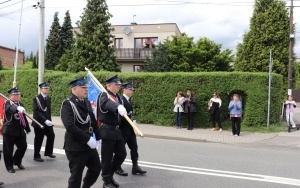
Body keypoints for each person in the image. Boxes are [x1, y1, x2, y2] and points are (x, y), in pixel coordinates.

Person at [60, 77, 101, 188]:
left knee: (96, 168)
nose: (86, 89)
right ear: (74, 89)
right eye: (83, 87)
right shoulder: (68, 104)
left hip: (89, 146)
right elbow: (70, 126)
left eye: (86, 87)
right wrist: (88, 139)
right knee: (76, 176)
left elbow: (92, 120)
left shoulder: (86, 102)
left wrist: (98, 137)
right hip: (75, 147)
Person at [97, 75, 127, 188]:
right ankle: (106, 181)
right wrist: (117, 106)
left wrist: (129, 122)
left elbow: (119, 115)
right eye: (116, 84)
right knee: (107, 158)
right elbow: (106, 104)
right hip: (107, 130)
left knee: (122, 154)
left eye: (119, 84)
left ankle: (110, 175)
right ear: (109, 85)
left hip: (117, 131)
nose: (119, 86)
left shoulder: (117, 97)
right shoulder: (104, 95)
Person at [114, 83, 146, 177]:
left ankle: (135, 166)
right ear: (124, 90)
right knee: (120, 150)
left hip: (130, 130)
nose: (132, 91)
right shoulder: (121, 101)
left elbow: (129, 115)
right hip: (123, 130)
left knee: (134, 148)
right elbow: (120, 116)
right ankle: (117, 167)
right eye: (130, 89)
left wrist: (133, 122)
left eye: (132, 90)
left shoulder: (129, 100)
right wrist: (129, 122)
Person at [2, 87, 31, 173]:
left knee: (23, 147)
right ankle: (9, 166)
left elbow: (23, 118)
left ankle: (17, 161)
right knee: (8, 150)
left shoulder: (20, 104)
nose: (17, 96)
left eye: (18, 94)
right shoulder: (7, 103)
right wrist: (16, 109)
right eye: (15, 94)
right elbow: (9, 109)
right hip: (9, 131)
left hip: (20, 131)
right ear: (10, 96)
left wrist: (27, 128)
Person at [32, 82, 55, 162]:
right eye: (45, 88)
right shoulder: (36, 99)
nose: (47, 89)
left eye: (47, 88)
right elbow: (36, 111)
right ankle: (36, 155)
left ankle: (48, 152)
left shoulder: (48, 98)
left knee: (51, 136)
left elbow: (48, 111)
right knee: (39, 139)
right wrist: (45, 120)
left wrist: (49, 120)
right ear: (41, 89)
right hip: (39, 123)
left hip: (48, 122)